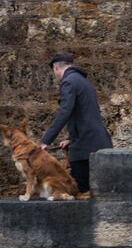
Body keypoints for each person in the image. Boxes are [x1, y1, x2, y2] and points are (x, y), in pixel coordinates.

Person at [40, 51, 113, 195]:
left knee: (77, 191)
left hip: (84, 148)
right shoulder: (84, 82)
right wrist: (70, 139)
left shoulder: (68, 82)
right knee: (94, 193)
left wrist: (46, 140)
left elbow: (65, 112)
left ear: (56, 68)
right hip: (97, 143)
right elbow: (84, 114)